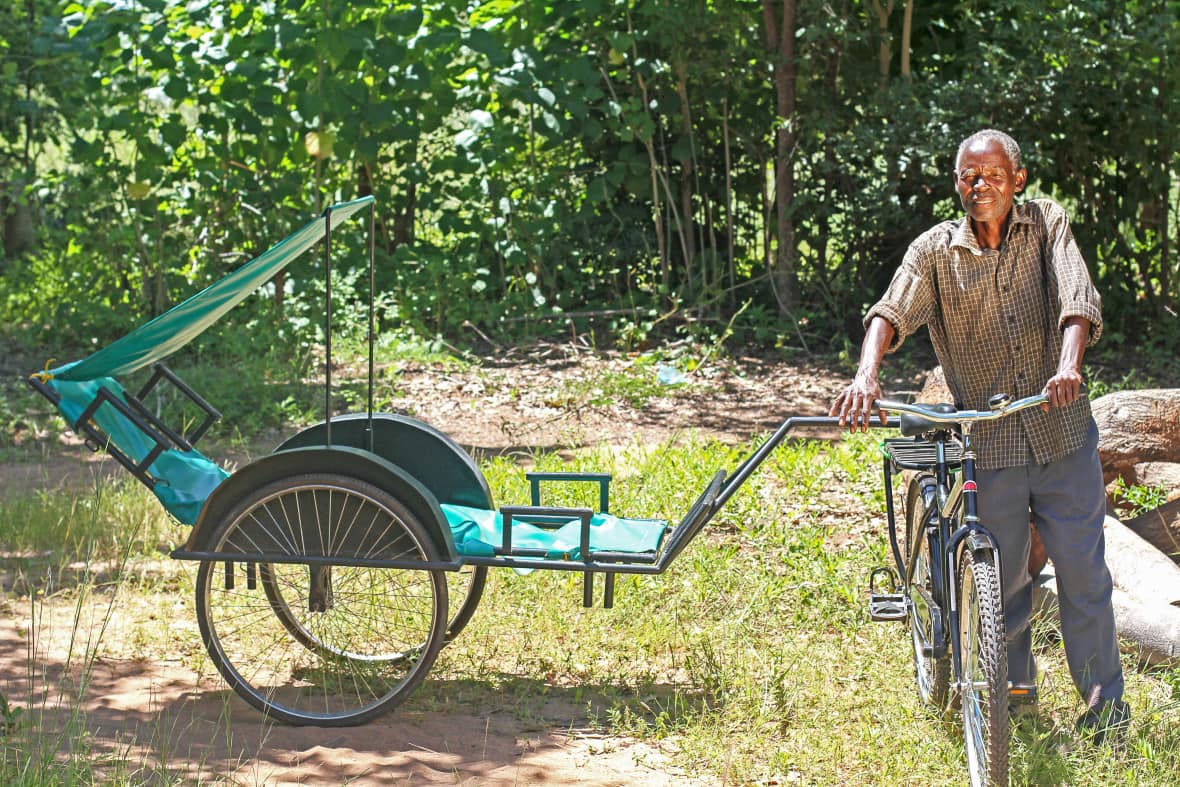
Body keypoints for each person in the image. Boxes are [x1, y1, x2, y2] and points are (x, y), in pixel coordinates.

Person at [830, 129, 1129, 742]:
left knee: (1084, 576)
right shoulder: (935, 251)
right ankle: (1011, 695)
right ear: (956, 184)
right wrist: (865, 376)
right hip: (988, 443)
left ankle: (1105, 709)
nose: (979, 185)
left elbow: (1078, 297)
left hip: (1060, 432)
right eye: (969, 176)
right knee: (1005, 577)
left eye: (992, 174)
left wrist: (1068, 364)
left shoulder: (1046, 224)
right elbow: (889, 312)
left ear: (1017, 180)